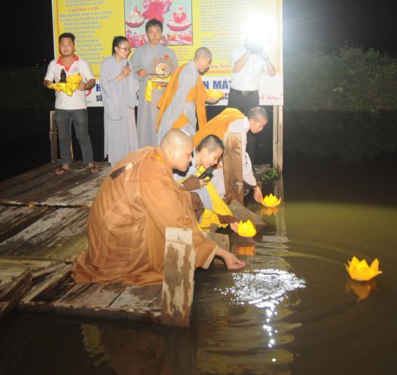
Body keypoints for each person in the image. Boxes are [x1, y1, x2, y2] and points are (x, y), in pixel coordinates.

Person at [71, 129, 246, 286]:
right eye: (188, 154)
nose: (191, 159)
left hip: (103, 227)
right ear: (172, 151)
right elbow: (175, 222)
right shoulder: (154, 175)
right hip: (115, 238)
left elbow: (174, 191)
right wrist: (219, 252)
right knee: (167, 246)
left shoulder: (151, 154)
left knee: (183, 198)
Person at [43, 32, 98, 175]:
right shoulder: (53, 64)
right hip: (61, 107)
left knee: (83, 136)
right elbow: (46, 80)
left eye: (68, 44)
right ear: (59, 47)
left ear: (73, 46)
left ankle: (90, 163)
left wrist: (85, 86)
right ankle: (65, 164)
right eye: (62, 44)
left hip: (79, 107)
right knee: (63, 137)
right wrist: (50, 84)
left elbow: (92, 80)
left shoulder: (82, 63)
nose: (65, 47)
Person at [193, 107, 269, 203]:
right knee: (216, 187)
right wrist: (255, 186)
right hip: (202, 156)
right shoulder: (239, 131)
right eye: (260, 126)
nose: (261, 129)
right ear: (252, 121)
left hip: (201, 147)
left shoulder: (236, 114)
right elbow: (241, 164)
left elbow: (243, 155)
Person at [174, 134, 238, 232]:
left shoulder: (200, 171)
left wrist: (229, 219)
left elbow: (213, 198)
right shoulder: (180, 166)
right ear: (205, 151)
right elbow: (170, 193)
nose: (216, 162)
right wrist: (190, 185)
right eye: (215, 158)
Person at [130, 19, 178, 147]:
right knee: (145, 123)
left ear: (161, 33)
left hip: (161, 94)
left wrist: (167, 83)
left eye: (157, 31)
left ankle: (161, 151)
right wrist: (138, 72)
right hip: (146, 94)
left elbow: (175, 75)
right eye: (151, 32)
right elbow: (130, 69)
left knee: (160, 122)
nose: (154, 35)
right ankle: (145, 152)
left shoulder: (168, 53)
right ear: (146, 33)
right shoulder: (139, 51)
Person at [156, 47, 218, 144]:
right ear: (201, 59)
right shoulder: (189, 74)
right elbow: (179, 101)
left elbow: (190, 96)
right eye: (208, 62)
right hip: (180, 119)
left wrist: (207, 100)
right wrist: (170, 125)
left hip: (183, 117)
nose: (208, 66)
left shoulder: (190, 70)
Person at [228, 37, 276, 162]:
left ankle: (250, 165)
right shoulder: (238, 50)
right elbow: (236, 68)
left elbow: (272, 72)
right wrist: (249, 51)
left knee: (252, 132)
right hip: (236, 96)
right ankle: (233, 164)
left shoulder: (261, 54)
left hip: (252, 97)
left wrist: (263, 55)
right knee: (232, 130)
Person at [99, 36, 139, 166]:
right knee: (116, 135)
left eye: (129, 49)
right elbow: (106, 87)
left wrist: (128, 78)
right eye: (125, 49)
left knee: (128, 134)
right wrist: (122, 75)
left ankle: (129, 162)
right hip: (114, 105)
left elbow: (133, 83)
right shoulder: (106, 64)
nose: (128, 52)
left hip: (126, 104)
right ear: (116, 49)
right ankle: (116, 164)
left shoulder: (127, 63)